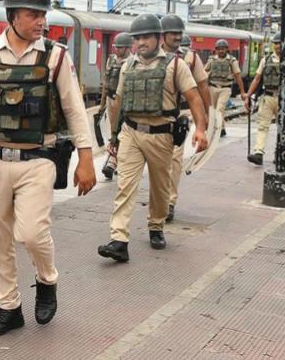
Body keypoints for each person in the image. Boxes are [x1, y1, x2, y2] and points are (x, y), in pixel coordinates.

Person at [0, 0, 96, 337]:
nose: (41, 21)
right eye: (34, 14)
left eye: (43, 14)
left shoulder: (55, 57)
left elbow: (75, 108)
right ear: (13, 16)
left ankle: (47, 280)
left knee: (32, 233)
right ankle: (9, 307)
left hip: (37, 158)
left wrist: (86, 158)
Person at [97, 13, 208, 262]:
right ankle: (119, 239)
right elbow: (120, 103)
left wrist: (201, 128)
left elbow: (194, 97)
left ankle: (156, 226)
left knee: (160, 187)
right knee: (125, 185)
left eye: (146, 37)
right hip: (132, 133)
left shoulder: (175, 65)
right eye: (138, 39)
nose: (141, 43)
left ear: (158, 38)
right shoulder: (129, 66)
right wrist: (113, 137)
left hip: (161, 136)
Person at [159, 17, 211, 223]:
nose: (178, 36)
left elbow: (203, 87)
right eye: (173, 32)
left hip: (180, 114)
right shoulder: (151, 54)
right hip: (156, 117)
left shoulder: (190, 58)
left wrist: (204, 119)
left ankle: (169, 202)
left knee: (174, 159)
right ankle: (159, 199)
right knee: (159, 162)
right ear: (163, 34)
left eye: (180, 32)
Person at [245, 35, 285, 165]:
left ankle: (279, 153)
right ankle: (258, 153)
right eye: (275, 43)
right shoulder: (266, 59)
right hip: (268, 96)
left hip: (284, 98)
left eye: (280, 43)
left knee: (281, 127)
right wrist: (248, 95)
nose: (278, 46)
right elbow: (257, 78)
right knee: (262, 125)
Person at [98, 32, 133, 181]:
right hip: (111, 101)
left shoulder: (132, 62)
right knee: (113, 131)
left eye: (120, 47)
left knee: (119, 133)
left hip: (123, 102)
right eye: (116, 47)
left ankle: (113, 162)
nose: (116, 50)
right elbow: (106, 84)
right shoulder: (111, 60)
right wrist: (102, 104)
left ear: (127, 48)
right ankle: (114, 160)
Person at [205, 39, 247, 138]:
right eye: (218, 49)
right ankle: (222, 128)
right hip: (212, 87)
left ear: (227, 49)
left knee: (220, 109)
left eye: (223, 49)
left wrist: (242, 92)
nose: (221, 51)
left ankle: (217, 130)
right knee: (213, 110)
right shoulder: (211, 60)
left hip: (225, 88)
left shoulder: (232, 61)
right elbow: (204, 72)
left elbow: (237, 76)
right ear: (215, 50)